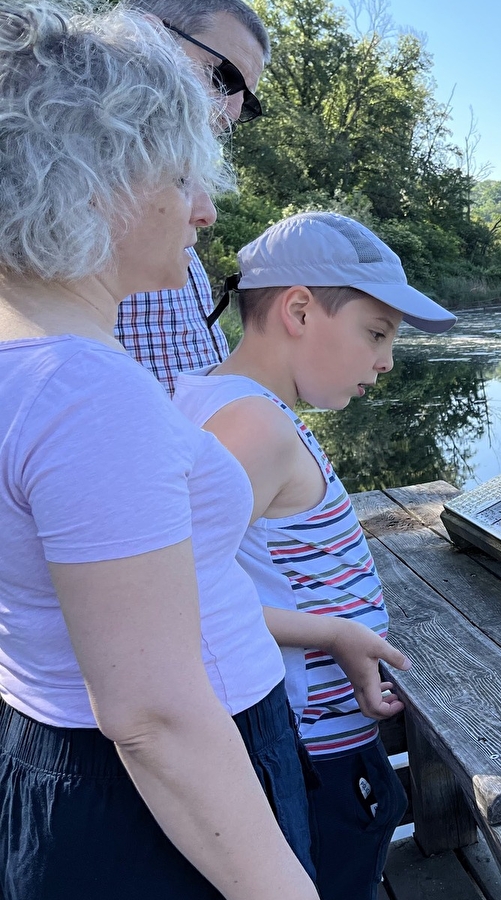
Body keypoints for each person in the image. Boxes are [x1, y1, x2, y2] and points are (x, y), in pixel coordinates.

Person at [0, 4, 316, 897]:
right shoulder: (85, 392)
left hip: (60, 765)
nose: (205, 210)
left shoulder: (27, 357)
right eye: (181, 176)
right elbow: (154, 718)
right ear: (92, 176)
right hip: (169, 801)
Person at [172, 212, 456, 900]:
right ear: (299, 310)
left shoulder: (214, 396)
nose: (386, 361)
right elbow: (177, 597)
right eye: (376, 334)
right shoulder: (253, 427)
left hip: (310, 737)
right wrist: (333, 634)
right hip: (308, 749)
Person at [115, 0, 270, 393]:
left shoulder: (168, 194)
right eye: (222, 76)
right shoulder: (50, 182)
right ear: (144, 35)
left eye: (248, 101)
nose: (232, 112)